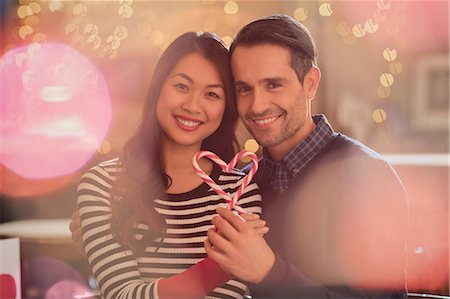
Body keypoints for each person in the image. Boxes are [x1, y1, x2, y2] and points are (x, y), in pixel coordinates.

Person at [204, 14, 409, 298]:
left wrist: (269, 272)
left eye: (273, 85)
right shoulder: (242, 186)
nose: (257, 105)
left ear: (310, 83)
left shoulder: (366, 178)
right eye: (244, 89)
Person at [75, 31, 267, 299]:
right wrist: (219, 267)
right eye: (182, 86)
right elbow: (122, 295)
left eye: (211, 94)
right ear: (157, 89)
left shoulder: (239, 192)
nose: (192, 105)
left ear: (226, 108)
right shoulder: (101, 185)